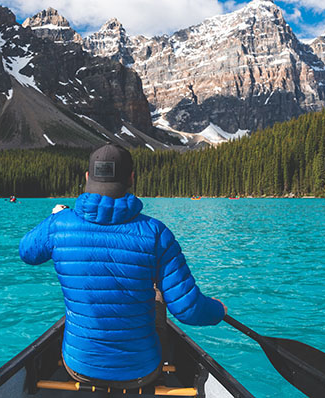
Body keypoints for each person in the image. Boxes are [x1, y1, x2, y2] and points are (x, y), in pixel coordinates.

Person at [19, 143, 226, 388]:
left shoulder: (58, 225)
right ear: (131, 178)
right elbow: (189, 311)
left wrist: (54, 217)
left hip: (79, 366)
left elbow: (27, 253)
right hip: (141, 370)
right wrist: (218, 310)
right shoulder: (156, 233)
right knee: (158, 297)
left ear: (87, 177)